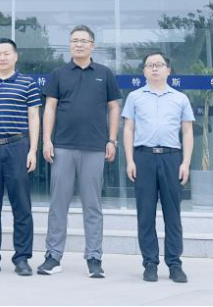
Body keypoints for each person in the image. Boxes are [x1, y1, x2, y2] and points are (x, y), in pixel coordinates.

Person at [38, 25, 121, 279]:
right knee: (58, 204)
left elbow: (114, 108)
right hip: (63, 147)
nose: (79, 44)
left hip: (95, 148)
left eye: (84, 40)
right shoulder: (59, 74)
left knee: (92, 205)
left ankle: (94, 258)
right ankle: (53, 256)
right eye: (75, 40)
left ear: (92, 45)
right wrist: (46, 140)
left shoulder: (105, 74)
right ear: (70, 45)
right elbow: (50, 107)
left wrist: (112, 140)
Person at [123, 50, 194, 284]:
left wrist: (185, 163)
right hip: (143, 158)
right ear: (144, 71)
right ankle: (150, 263)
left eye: (159, 64)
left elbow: (187, 132)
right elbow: (128, 129)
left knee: (173, 214)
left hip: (171, 158)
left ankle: (174, 264)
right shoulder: (134, 97)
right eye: (150, 65)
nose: (154, 68)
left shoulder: (180, 98)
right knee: (145, 214)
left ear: (168, 70)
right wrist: (130, 160)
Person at [0, 38, 42, 277]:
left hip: (17, 146)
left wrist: (32, 150)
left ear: (15, 56)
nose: (1, 57)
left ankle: (22, 258)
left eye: (6, 53)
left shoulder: (28, 83)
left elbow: (34, 117)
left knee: (21, 205)